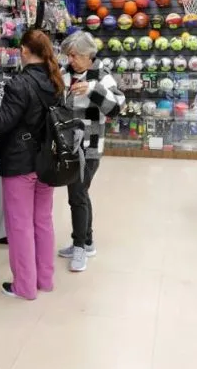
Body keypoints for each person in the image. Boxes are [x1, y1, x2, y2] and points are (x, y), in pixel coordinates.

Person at [0, 29, 63, 300]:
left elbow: (0, 123)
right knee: (43, 222)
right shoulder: (55, 81)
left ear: (25, 51)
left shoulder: (19, 83)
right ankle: (45, 280)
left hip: (19, 163)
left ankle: (24, 287)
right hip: (47, 161)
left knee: (20, 226)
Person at [58, 32, 126, 272]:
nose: (71, 60)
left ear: (89, 55)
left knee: (77, 194)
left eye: (75, 55)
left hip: (90, 146)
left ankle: (80, 247)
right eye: (68, 55)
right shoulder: (64, 73)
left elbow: (117, 107)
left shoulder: (101, 76)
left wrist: (92, 90)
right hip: (68, 146)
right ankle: (87, 242)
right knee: (80, 193)